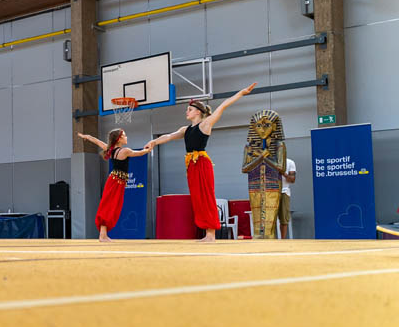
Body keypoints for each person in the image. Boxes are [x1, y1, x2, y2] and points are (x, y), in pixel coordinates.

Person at [146, 82, 257, 242]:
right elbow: (169, 136)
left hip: (202, 163)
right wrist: (154, 142)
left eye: (189, 109)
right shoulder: (185, 129)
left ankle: (211, 233)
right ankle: (207, 232)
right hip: (191, 165)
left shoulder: (205, 124)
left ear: (198, 111)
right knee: (197, 199)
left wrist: (241, 93)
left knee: (206, 197)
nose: (187, 112)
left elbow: (223, 106)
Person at [78, 129, 153, 241]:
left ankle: (103, 234)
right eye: (124, 136)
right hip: (116, 182)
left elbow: (97, 142)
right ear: (119, 139)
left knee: (110, 206)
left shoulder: (111, 149)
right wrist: (149, 148)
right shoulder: (125, 151)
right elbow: (140, 153)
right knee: (110, 206)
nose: (126, 137)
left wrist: (88, 137)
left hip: (115, 181)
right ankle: (102, 235)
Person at [280, 156, 296, 239]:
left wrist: (283, 173)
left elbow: (292, 180)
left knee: (284, 219)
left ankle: (283, 241)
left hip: (284, 191)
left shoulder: (290, 162)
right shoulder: (268, 162)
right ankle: (270, 241)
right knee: (269, 219)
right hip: (269, 191)